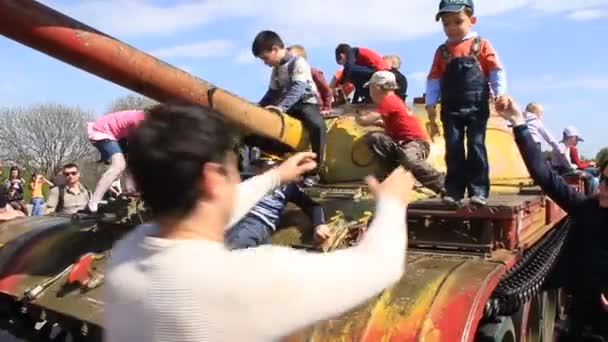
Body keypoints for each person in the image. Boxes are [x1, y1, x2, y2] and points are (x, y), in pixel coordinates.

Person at [105, 103, 413, 342]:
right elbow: (378, 266)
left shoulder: (127, 253)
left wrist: (276, 177)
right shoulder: (245, 279)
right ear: (213, 179)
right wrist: (391, 204)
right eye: (233, 167)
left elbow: (219, 204)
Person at [497, 96, 608, 341]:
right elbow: (545, 176)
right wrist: (518, 122)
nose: (601, 187)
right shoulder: (588, 209)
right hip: (583, 319)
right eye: (602, 179)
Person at [425, 0, 507, 207]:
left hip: (476, 105)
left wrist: (501, 93)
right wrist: (430, 102)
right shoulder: (442, 51)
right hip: (450, 107)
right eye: (446, 24)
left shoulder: (481, 45)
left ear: (472, 20)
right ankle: (454, 190)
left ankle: (478, 190)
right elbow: (434, 78)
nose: (451, 28)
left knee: (476, 144)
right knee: (453, 146)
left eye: (457, 22)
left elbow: (496, 71)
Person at [252, 30, 326, 186]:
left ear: (274, 49)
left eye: (265, 58)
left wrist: (281, 108)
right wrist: (258, 108)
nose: (265, 63)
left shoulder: (298, 62)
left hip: (305, 103)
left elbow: (298, 87)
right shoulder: (276, 70)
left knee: (317, 125)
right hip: (287, 106)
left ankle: (315, 170)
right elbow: (272, 92)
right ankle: (271, 162)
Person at [357, 71, 445, 195]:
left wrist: (359, 117)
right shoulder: (394, 101)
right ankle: (397, 177)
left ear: (376, 87)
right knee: (376, 138)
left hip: (415, 143)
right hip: (403, 142)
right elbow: (392, 124)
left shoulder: (388, 100)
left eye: (370, 88)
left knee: (409, 158)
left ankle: (442, 185)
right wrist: (378, 124)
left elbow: (366, 120)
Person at [225, 156, 331, 249]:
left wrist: (319, 224)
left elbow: (312, 206)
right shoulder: (250, 180)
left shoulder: (289, 187)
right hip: (247, 223)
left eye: (277, 165)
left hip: (263, 229)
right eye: (261, 165)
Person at [86, 109, 145, 212]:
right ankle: (94, 201)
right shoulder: (142, 121)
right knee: (119, 165)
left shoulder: (141, 119)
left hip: (112, 133)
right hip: (102, 132)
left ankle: (126, 188)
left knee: (126, 163)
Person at [550, 126, 598, 195]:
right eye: (575, 138)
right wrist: (576, 167)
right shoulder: (561, 146)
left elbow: (568, 164)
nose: (576, 140)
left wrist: (575, 167)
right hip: (561, 171)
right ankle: (588, 199)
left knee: (588, 175)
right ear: (571, 137)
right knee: (589, 177)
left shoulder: (566, 146)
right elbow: (567, 164)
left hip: (563, 170)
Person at [288, 44, 333, 115]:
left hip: (315, 107)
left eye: (291, 58)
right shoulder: (289, 75)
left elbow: (326, 91)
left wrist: (326, 108)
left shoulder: (312, 72)